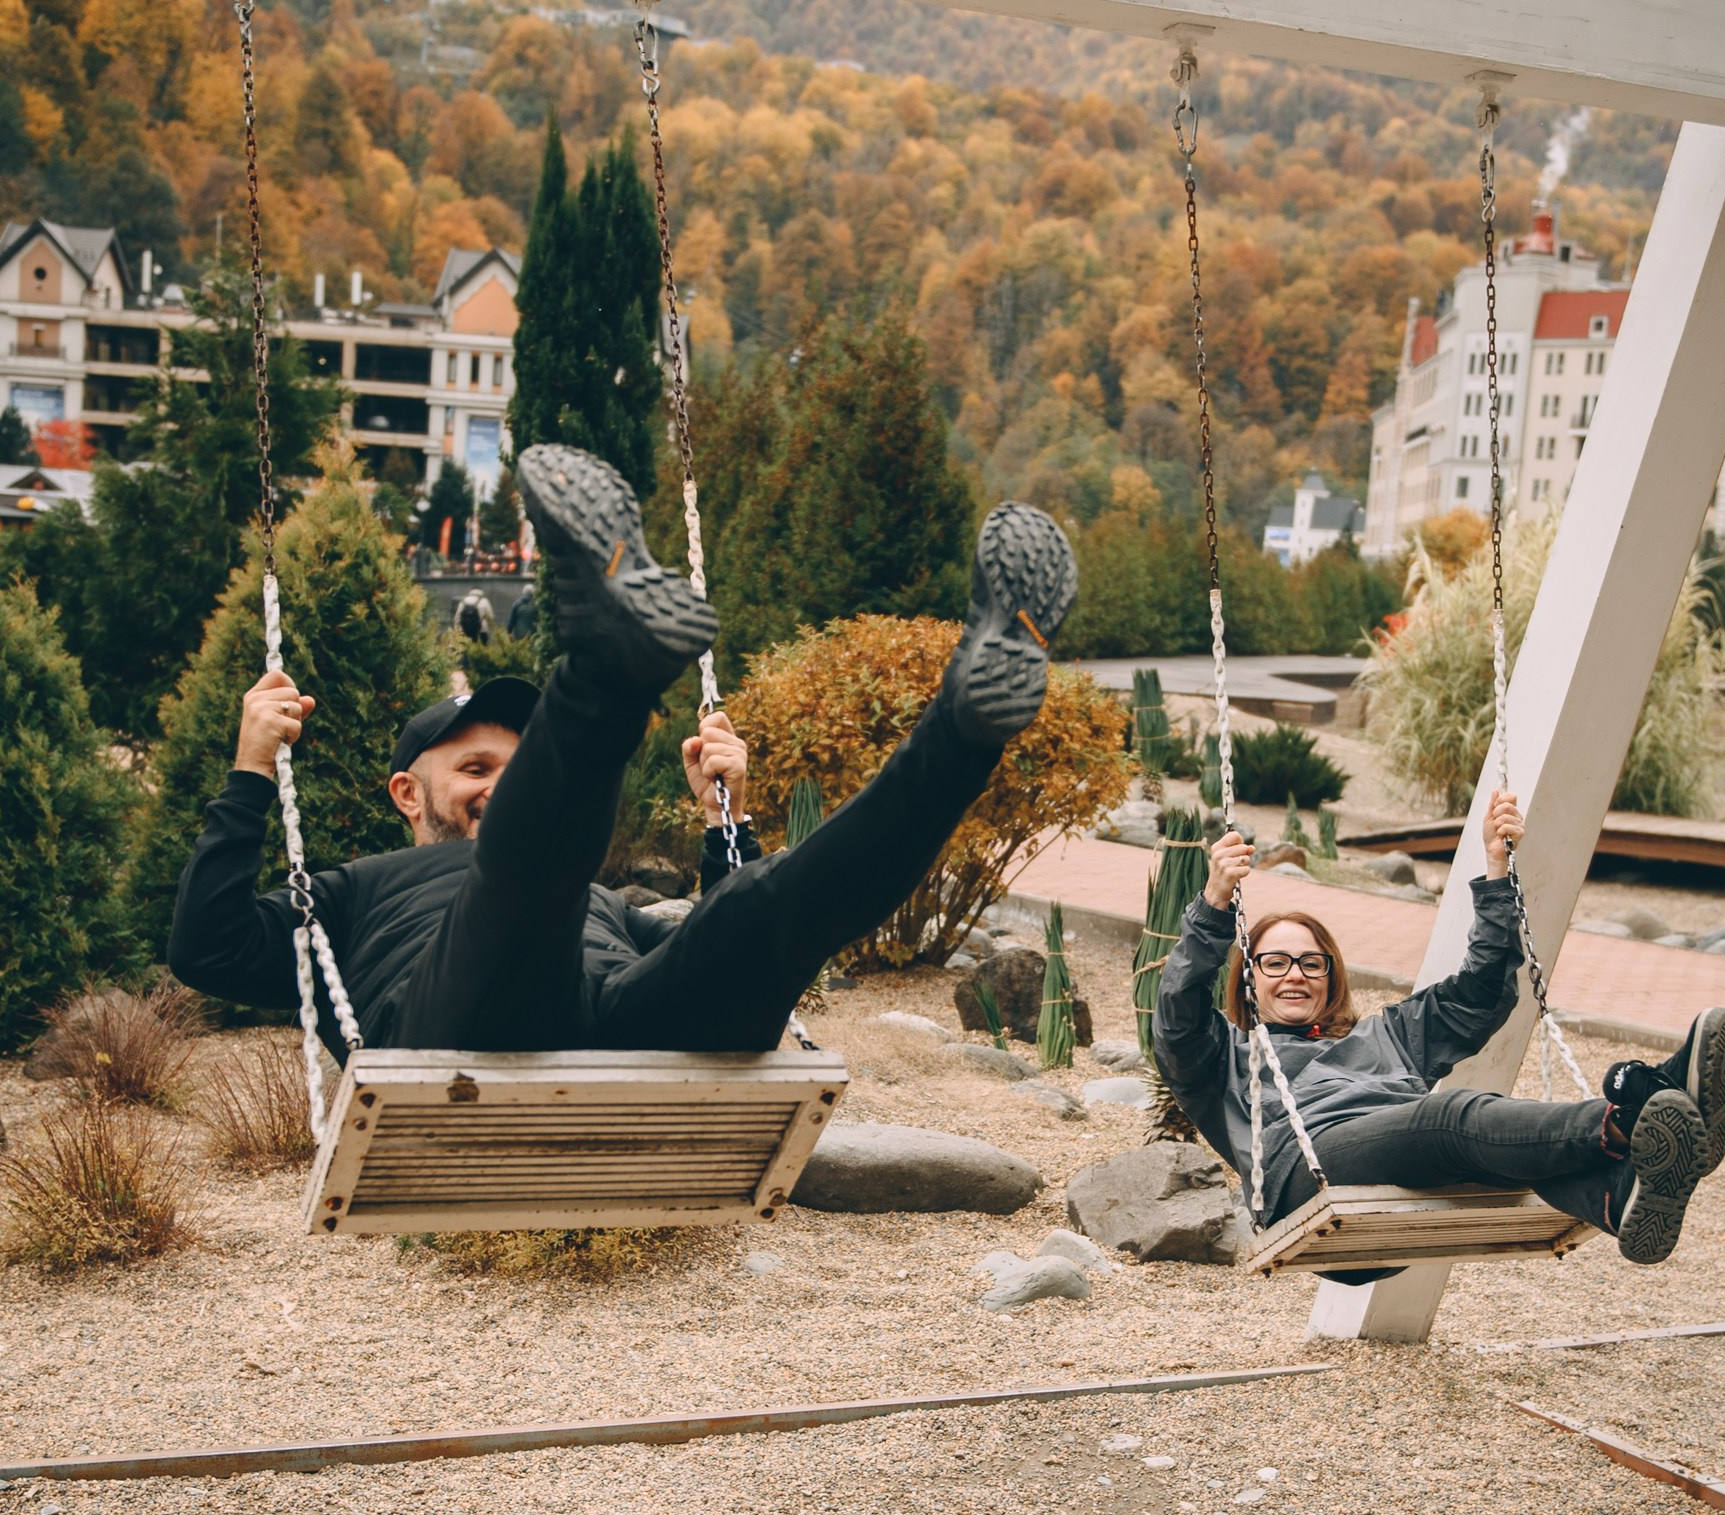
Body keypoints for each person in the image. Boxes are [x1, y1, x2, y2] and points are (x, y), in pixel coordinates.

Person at [166, 445, 1078, 1059]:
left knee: (765, 911)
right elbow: (206, 948)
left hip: (618, 1021)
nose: (501, 786)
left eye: (520, 769)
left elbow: (726, 942)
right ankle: (609, 664)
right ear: (409, 791)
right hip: (459, 1028)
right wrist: (251, 771)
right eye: (475, 769)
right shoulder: (349, 893)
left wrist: (728, 823)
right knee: (519, 891)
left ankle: (965, 728)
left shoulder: (596, 897)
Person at [1153, 789, 1725, 1266]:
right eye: (1275, 963)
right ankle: (1633, 1118)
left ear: (1332, 976)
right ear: (1250, 978)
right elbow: (1177, 1013)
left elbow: (1480, 992)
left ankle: (1615, 1195)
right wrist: (1213, 904)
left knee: (1475, 1144)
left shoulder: (1387, 1035)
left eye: (1312, 962)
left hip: (1411, 1157)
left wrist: (1495, 870)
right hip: (1307, 1177)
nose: (1296, 976)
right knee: (1450, 1117)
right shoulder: (1223, 1058)